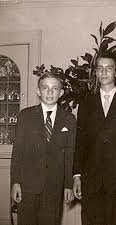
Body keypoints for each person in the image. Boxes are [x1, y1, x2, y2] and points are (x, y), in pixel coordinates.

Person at [73, 52, 116, 225]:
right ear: (95, 72)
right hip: (91, 180)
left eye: (109, 68)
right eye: (100, 68)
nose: (104, 72)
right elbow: (79, 143)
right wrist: (76, 175)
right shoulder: (86, 103)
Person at [10, 71, 76, 225]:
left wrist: (68, 186)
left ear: (61, 92)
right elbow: (17, 152)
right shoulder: (25, 116)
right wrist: (15, 182)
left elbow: (70, 155)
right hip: (27, 185)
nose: (50, 92)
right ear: (38, 91)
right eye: (45, 88)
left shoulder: (69, 119)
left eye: (54, 88)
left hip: (54, 186)